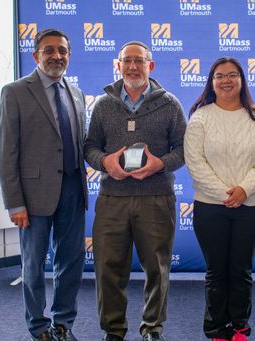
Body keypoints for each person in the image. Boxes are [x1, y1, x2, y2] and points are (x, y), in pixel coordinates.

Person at [84, 41, 186, 341]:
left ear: (150, 65)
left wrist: (160, 164)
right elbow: (89, 147)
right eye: (126, 61)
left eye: (139, 61)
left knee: (158, 268)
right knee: (108, 269)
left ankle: (152, 327)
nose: (132, 66)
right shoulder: (103, 105)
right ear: (118, 65)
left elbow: (183, 149)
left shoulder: (170, 104)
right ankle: (113, 330)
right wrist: (104, 162)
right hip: (112, 198)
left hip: (156, 198)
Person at [0, 28, 87, 341]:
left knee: (71, 262)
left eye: (62, 51)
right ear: (36, 56)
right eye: (49, 50)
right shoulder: (15, 91)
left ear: (69, 56)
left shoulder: (76, 93)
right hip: (33, 197)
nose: (56, 56)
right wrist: (15, 202)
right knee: (33, 265)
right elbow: (6, 152)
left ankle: (64, 323)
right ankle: (38, 327)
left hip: (73, 190)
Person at [184, 57, 255, 341]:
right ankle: (215, 328)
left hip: (250, 207)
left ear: (242, 80)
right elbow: (195, 162)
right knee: (216, 271)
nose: (226, 80)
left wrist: (244, 190)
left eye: (232, 75)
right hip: (210, 207)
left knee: (240, 269)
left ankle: (239, 325)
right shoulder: (200, 117)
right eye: (219, 76)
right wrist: (226, 193)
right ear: (211, 82)